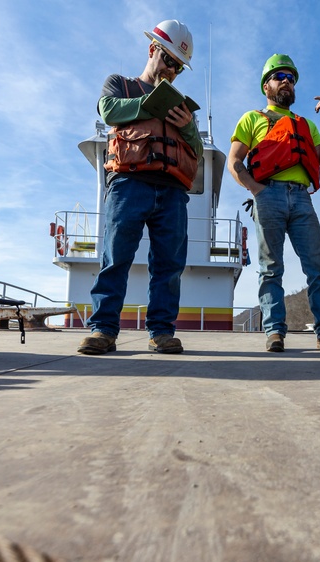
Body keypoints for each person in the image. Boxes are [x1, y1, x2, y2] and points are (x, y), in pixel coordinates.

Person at [77, 20, 202, 355]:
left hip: (173, 192)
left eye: (178, 66)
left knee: (169, 266)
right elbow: (108, 111)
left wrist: (188, 127)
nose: (171, 69)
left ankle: (161, 332)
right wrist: (148, 105)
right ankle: (103, 330)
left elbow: (198, 151)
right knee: (115, 257)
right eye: (168, 60)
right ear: (152, 50)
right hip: (128, 183)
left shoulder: (182, 108)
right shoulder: (120, 84)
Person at [227, 54, 320, 353]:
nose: (286, 81)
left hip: (301, 198)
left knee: (318, 266)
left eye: (291, 78)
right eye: (280, 76)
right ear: (266, 86)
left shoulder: (306, 125)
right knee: (271, 268)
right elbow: (234, 161)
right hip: (267, 194)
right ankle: (274, 331)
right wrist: (256, 189)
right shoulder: (252, 118)